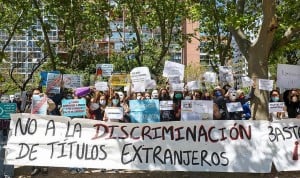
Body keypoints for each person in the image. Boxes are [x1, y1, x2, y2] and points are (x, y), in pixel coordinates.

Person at [30, 88, 56, 176]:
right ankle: (36, 167)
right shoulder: (28, 106)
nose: (37, 95)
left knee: (45, 148)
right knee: (35, 149)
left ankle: (44, 167)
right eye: (35, 94)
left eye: (38, 94)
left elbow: (53, 106)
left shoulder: (45, 105)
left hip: (44, 130)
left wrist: (46, 98)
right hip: (33, 131)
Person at [0, 95, 14, 178]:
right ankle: (1, 173)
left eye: (6, 99)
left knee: (10, 153)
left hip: (10, 132)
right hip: (0, 132)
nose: (4, 100)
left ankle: (8, 174)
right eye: (2, 99)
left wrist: (15, 112)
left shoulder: (13, 107)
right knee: (0, 153)